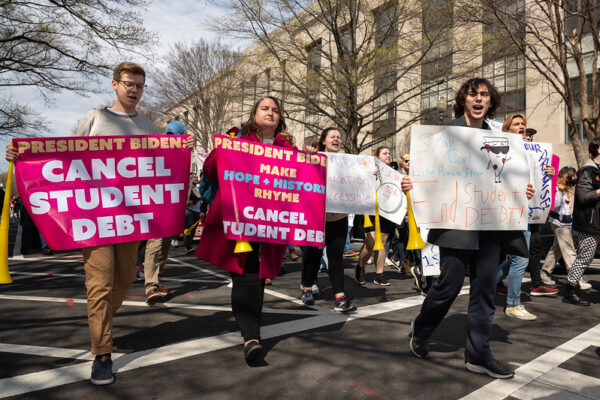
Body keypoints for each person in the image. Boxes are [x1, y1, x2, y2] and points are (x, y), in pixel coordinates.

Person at [7, 61, 159, 385]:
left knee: (122, 283)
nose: (134, 90)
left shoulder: (149, 127)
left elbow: (161, 166)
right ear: (114, 84)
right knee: (100, 286)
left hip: (131, 222)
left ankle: (101, 321)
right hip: (95, 220)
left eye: (139, 86)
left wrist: (182, 149)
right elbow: (66, 162)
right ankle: (102, 354)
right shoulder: (95, 118)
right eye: (129, 84)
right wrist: (21, 157)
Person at [403, 78, 535, 379]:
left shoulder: (501, 138)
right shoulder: (444, 133)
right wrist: (412, 184)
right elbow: (427, 173)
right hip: (455, 221)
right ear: (464, 99)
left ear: (491, 102)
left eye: (484, 95)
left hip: (491, 223)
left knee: (485, 288)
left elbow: (508, 176)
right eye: (473, 94)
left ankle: (479, 353)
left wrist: (521, 190)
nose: (478, 99)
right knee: (448, 285)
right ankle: (421, 329)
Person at [196, 96, 297, 363]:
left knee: (258, 276)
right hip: (239, 218)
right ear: (254, 114)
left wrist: (309, 157)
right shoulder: (237, 138)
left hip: (271, 221)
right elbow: (209, 169)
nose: (271, 113)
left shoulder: (287, 147)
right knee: (244, 274)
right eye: (265, 108)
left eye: (275, 110)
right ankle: (251, 337)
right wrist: (224, 148)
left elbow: (303, 178)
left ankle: (252, 332)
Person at [496, 114, 557, 321]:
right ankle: (513, 304)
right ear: (508, 130)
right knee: (521, 258)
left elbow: (539, 179)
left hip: (529, 211)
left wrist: (548, 172)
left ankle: (484, 284)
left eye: (523, 124)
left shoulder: (532, 151)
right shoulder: (503, 149)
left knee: (516, 256)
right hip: (512, 210)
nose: (522, 127)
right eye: (517, 124)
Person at [300, 127, 356, 312]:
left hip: (338, 218)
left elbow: (358, 182)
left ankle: (340, 296)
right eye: (333, 136)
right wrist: (305, 154)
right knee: (312, 255)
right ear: (324, 141)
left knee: (336, 258)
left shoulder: (349, 162)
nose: (337, 139)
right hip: (316, 217)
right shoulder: (314, 157)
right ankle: (307, 287)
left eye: (339, 137)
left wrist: (369, 176)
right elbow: (297, 171)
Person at [541, 167, 591, 290]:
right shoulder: (557, 189)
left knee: (557, 249)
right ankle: (576, 278)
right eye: (572, 176)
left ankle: (545, 272)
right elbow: (555, 205)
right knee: (569, 250)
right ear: (565, 176)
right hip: (559, 223)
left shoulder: (570, 190)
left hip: (566, 223)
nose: (574, 179)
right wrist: (560, 191)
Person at [563, 140, 600, 306]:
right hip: (589, 221)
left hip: (596, 221)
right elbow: (583, 197)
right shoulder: (588, 170)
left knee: (587, 255)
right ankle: (570, 290)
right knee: (585, 256)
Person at [355, 146, 397, 286]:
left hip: (387, 211)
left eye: (389, 154)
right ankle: (360, 266)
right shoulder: (370, 170)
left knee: (382, 244)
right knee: (371, 243)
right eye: (385, 153)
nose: (388, 156)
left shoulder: (393, 173)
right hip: (371, 211)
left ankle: (379, 275)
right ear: (377, 156)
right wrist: (370, 177)